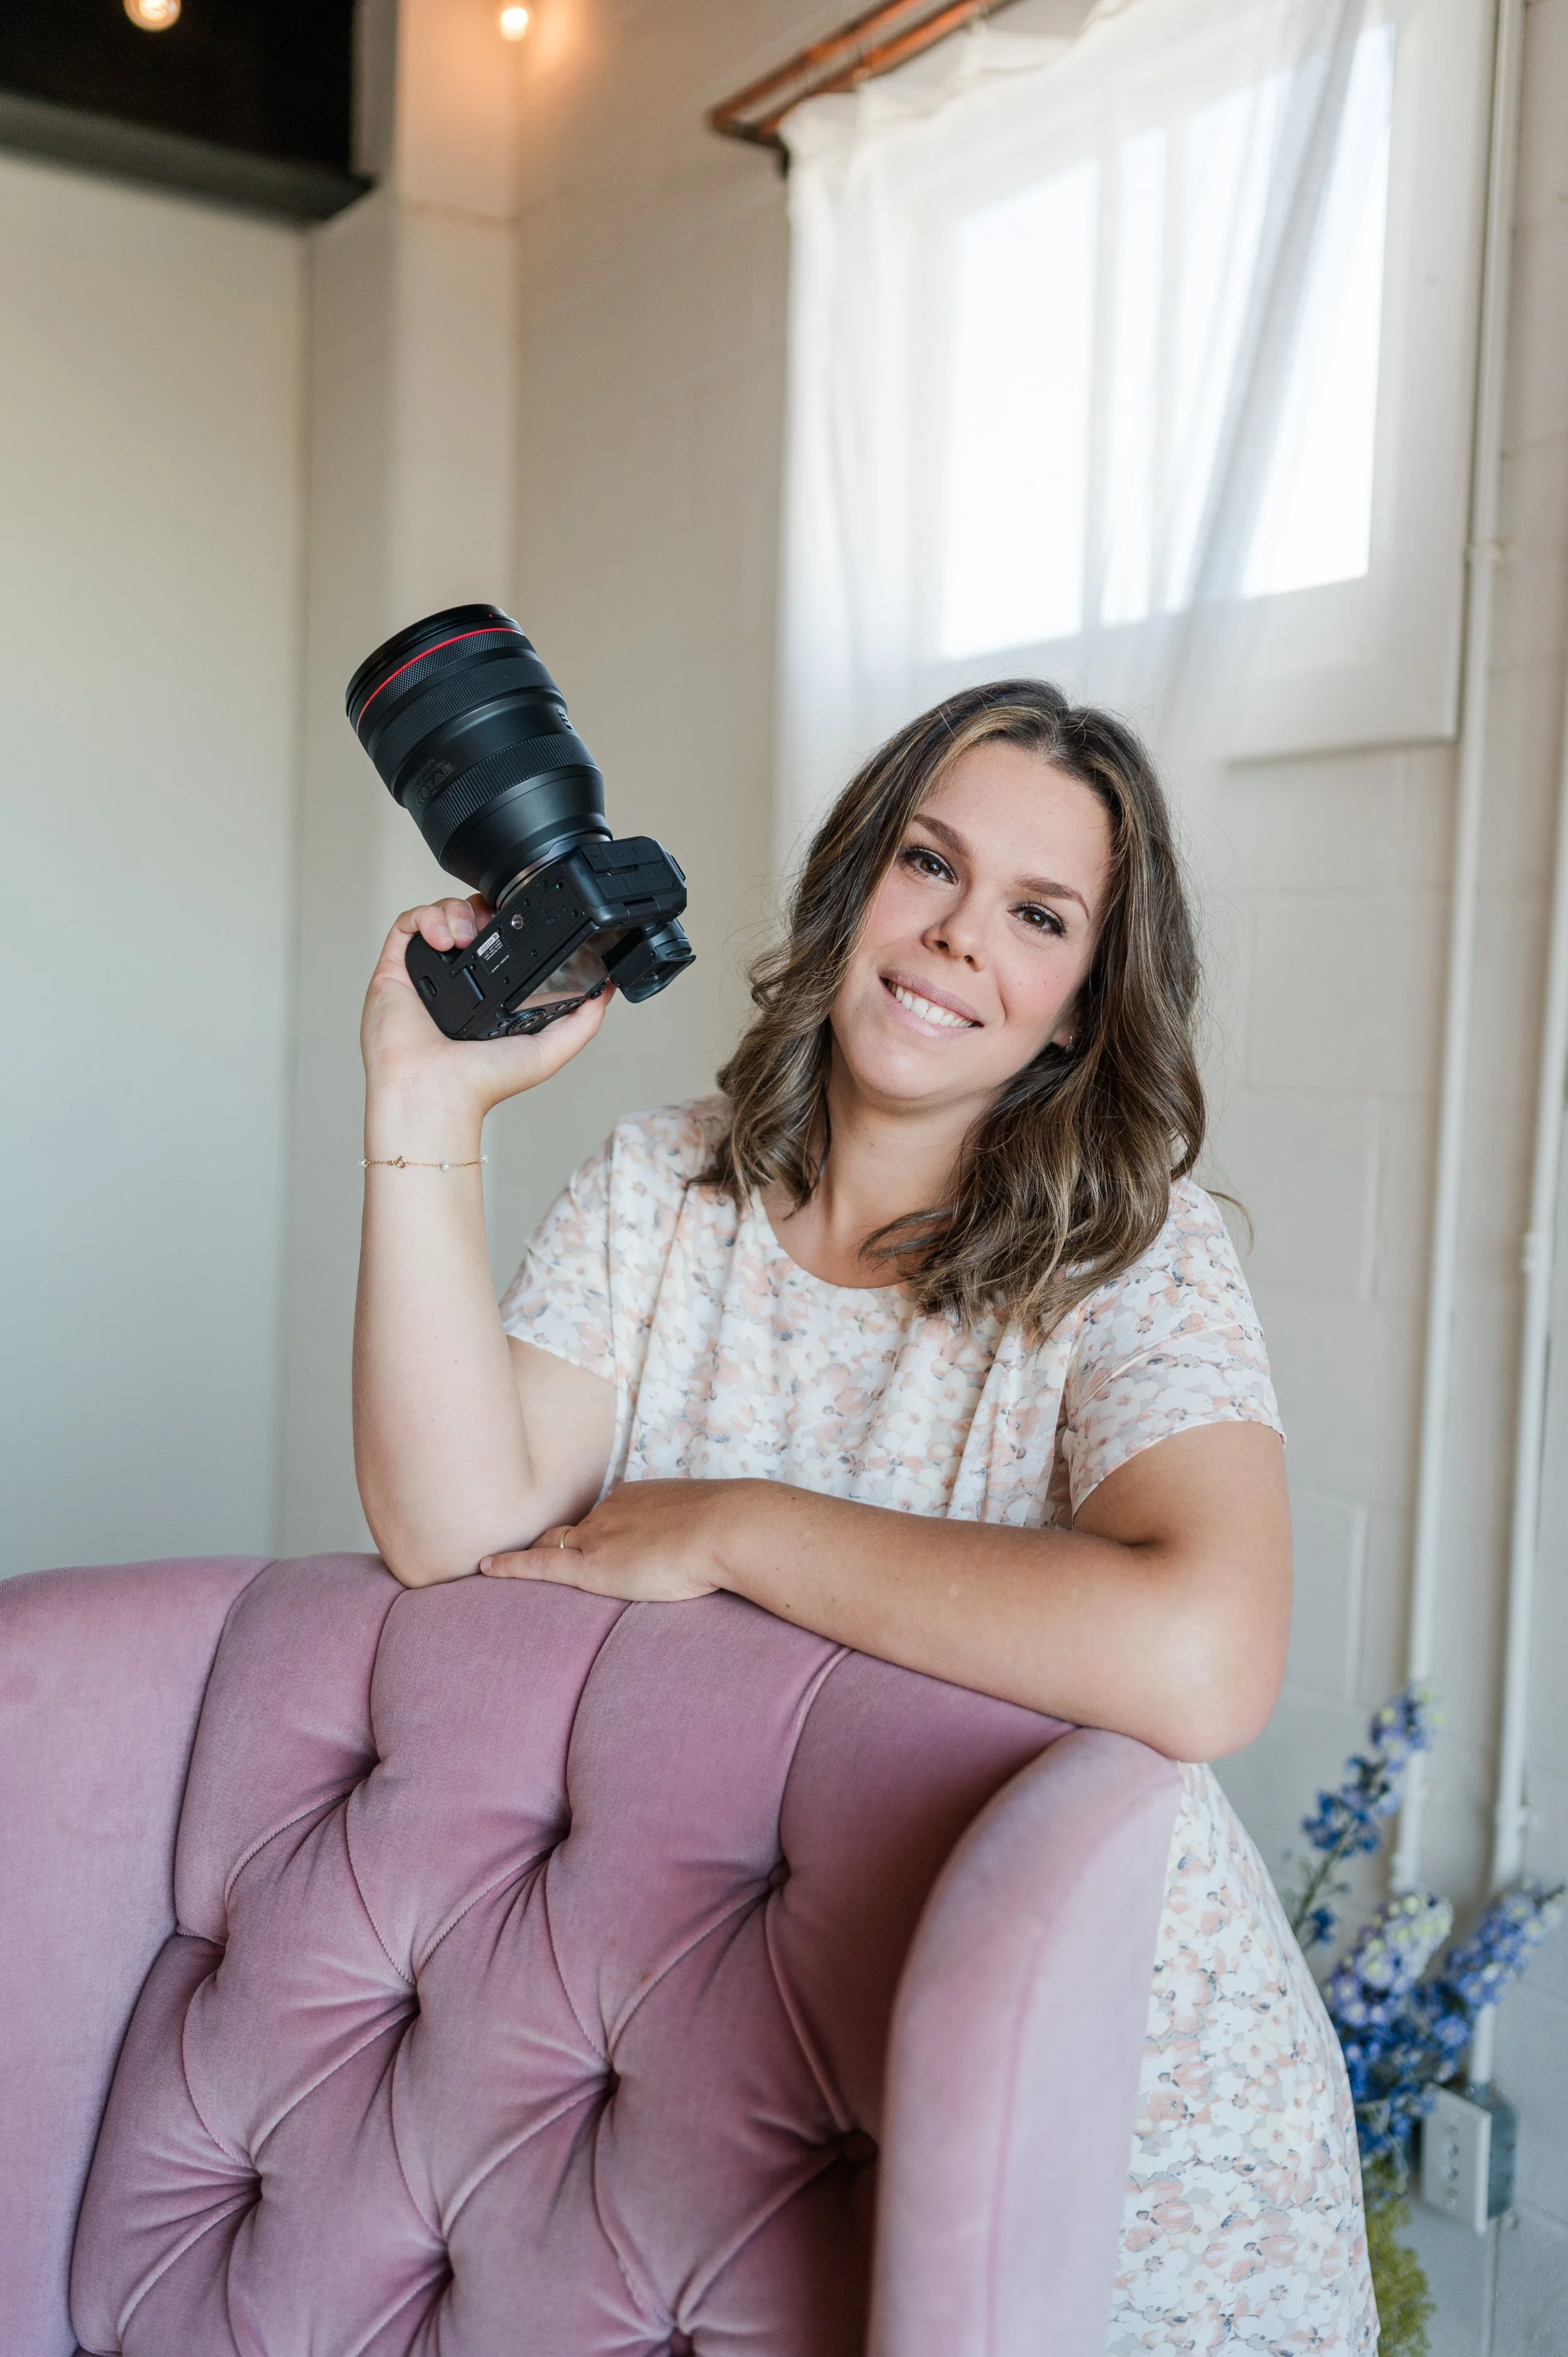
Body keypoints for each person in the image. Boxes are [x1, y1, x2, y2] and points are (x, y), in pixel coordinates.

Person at [354, 679, 1375, 2352]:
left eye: (1036, 914)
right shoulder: (660, 1189)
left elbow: (1203, 1656)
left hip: (1108, 2105)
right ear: (850, 889)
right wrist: (422, 1107)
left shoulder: (1134, 1251)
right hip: (759, 2067)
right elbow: (451, 1531)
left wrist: (739, 1527)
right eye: (927, 863)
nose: (959, 934)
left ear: (1073, 1008)